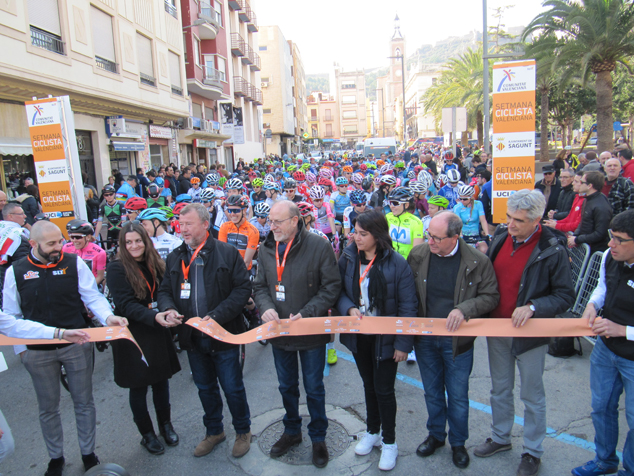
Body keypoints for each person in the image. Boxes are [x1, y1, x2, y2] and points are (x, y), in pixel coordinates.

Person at [3, 221, 128, 476]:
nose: (59, 247)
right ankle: (55, 458)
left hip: (76, 344)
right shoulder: (15, 271)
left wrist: (108, 317)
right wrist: (22, 352)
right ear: (33, 244)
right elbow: (11, 316)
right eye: (51, 244)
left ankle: (88, 453)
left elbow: (91, 296)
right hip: (37, 352)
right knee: (48, 407)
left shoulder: (74, 263)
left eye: (60, 241)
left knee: (84, 402)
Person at [473, 190, 574, 476]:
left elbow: (565, 296)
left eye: (518, 220)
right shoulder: (502, 236)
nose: (510, 224)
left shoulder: (552, 248)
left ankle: (532, 451)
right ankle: (500, 437)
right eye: (509, 217)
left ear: (537, 220)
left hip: (530, 335)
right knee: (499, 389)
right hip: (497, 328)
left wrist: (533, 307)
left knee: (532, 396)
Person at [157, 204, 253, 459]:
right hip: (193, 339)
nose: (182, 229)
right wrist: (168, 308)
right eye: (180, 224)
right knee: (205, 388)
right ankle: (214, 431)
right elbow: (164, 290)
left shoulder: (227, 253)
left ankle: (243, 431)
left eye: (188, 224)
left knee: (232, 388)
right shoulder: (175, 256)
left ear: (205, 224)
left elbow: (242, 289)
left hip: (223, 336)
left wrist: (217, 316)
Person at [408, 211, 499, 470]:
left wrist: (464, 309)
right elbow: (407, 292)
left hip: (458, 343)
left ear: (455, 237)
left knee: (458, 396)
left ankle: (458, 443)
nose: (430, 241)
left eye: (437, 238)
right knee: (432, 392)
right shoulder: (418, 255)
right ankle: (436, 435)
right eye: (429, 235)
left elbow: (491, 296)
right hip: (425, 340)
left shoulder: (478, 261)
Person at [253, 201, 340, 468]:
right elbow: (260, 286)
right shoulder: (266, 248)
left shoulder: (319, 246)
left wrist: (307, 312)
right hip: (280, 332)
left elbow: (331, 286)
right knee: (286, 386)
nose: (272, 226)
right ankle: (292, 431)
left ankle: (318, 437)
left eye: (277, 221)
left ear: (295, 221)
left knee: (314, 388)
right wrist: (266, 308)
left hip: (309, 330)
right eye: (270, 221)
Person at [337, 209, 417, 471]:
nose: (356, 237)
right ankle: (372, 431)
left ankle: (389, 442)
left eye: (363, 233)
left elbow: (408, 306)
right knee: (369, 386)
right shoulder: (348, 257)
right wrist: (349, 308)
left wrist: (403, 344)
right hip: (359, 337)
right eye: (355, 232)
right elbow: (338, 291)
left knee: (384, 390)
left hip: (386, 338)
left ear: (377, 235)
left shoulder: (397, 264)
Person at [106, 222, 181, 455]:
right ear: (122, 244)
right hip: (133, 333)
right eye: (128, 242)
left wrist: (168, 310)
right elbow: (125, 305)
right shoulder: (116, 268)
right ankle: (147, 434)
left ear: (145, 241)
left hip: (156, 327)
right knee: (138, 387)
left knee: (161, 382)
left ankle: (165, 425)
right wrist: (154, 316)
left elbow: (165, 291)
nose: (134, 246)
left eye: (138, 240)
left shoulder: (155, 261)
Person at [572, 210, 634, 476]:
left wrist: (623, 330)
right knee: (601, 408)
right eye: (611, 236)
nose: (611, 244)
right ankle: (604, 460)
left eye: (619, 239)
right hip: (606, 350)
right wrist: (592, 305)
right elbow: (602, 287)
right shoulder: (610, 256)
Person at [0, 308, 91, 465]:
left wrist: (60, 333)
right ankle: (56, 458)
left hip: (62, 340)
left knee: (6, 446)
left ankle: (87, 456)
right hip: (39, 353)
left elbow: (13, 325)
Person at [568, 171, 612, 255]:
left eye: (582, 182)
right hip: (585, 248)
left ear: (589, 186)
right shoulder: (588, 199)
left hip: (594, 251)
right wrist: (575, 236)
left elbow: (600, 234)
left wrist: (577, 239)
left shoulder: (601, 206)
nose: (579, 184)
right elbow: (583, 221)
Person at [218, 195, 259, 272]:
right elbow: (222, 253)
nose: (232, 214)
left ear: (244, 210)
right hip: (227, 269)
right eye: (230, 211)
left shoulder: (253, 231)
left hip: (244, 270)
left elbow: (246, 261)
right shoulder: (224, 227)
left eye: (236, 210)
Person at [0, 203, 30, 306]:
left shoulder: (2, 230)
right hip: (12, 284)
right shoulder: (17, 236)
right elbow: (23, 265)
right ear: (10, 216)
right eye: (21, 214)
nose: (25, 216)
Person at [62, 219, 107, 286]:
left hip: (90, 285)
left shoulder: (100, 252)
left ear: (88, 237)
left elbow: (100, 276)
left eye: (78, 237)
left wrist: (87, 288)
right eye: (72, 237)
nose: (74, 240)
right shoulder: (66, 247)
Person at [385, 187, 424, 259]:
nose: (392, 206)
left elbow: (416, 251)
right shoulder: (387, 217)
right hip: (389, 259)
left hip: (407, 262)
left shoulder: (416, 222)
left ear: (406, 205)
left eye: (395, 203)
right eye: (390, 203)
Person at [95, 185, 124, 250]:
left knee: (123, 249)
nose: (109, 196)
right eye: (106, 195)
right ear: (103, 196)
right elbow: (99, 222)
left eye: (111, 194)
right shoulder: (103, 207)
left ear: (114, 194)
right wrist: (96, 236)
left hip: (121, 230)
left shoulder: (120, 205)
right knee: (109, 250)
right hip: (110, 230)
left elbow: (124, 221)